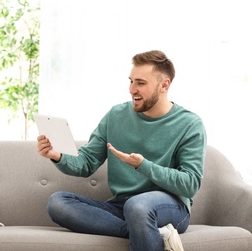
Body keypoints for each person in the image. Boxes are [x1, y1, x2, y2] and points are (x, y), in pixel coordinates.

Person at [37, 50, 207, 251]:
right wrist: (57, 156)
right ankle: (150, 230)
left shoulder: (189, 124)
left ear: (164, 85)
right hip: (121, 206)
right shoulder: (116, 115)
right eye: (131, 81)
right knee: (57, 203)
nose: (132, 89)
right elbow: (86, 162)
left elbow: (190, 184)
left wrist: (143, 166)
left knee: (138, 206)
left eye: (140, 83)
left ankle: (144, 224)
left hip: (169, 207)